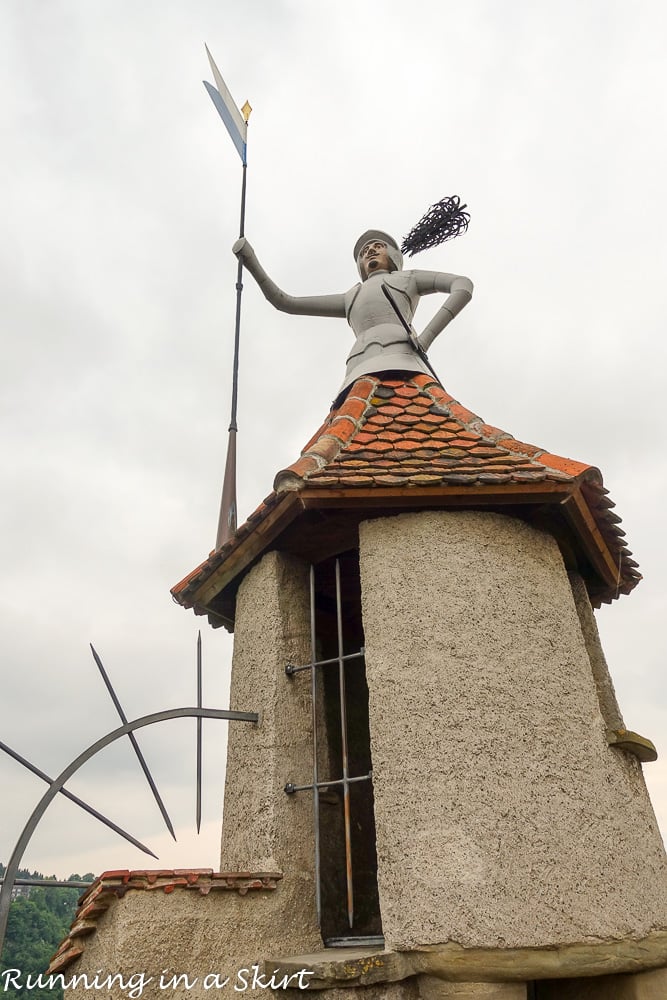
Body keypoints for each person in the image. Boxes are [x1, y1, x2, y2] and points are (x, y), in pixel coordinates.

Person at [233, 229, 473, 399]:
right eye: (364, 252)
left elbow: (462, 285)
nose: (369, 252)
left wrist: (426, 338)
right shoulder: (352, 295)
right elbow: (285, 301)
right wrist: (251, 261)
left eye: (377, 247)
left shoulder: (408, 278)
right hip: (359, 369)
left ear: (392, 254)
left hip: (406, 362)